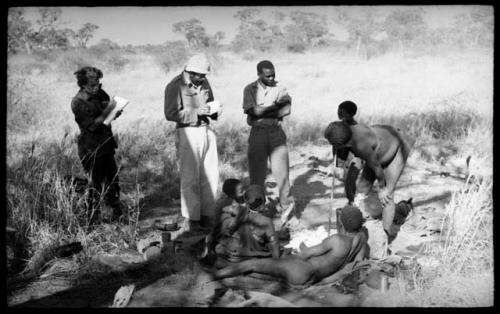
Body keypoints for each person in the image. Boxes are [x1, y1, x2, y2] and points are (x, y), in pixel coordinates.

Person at [324, 102, 415, 248]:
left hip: (397, 148)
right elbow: (358, 166)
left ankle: (385, 237)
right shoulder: (346, 130)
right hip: (379, 150)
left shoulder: (361, 145)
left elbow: (377, 167)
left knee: (387, 196)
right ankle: (357, 227)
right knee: (362, 188)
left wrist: (382, 188)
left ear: (344, 144)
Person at [210, 205, 369, 287]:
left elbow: (305, 255)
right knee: (268, 272)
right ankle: (227, 267)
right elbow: (357, 263)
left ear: (341, 222)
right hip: (311, 278)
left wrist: (288, 257)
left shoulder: (337, 240)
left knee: (252, 264)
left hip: (302, 269)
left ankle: (211, 277)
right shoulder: (362, 238)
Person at [164, 54, 223, 233]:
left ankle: (208, 215)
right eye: (200, 75)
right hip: (188, 132)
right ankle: (192, 219)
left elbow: (210, 104)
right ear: (191, 72)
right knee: (190, 178)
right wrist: (196, 112)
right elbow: (170, 113)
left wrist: (214, 111)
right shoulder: (175, 86)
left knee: (210, 176)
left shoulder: (204, 83)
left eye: (205, 76)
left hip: (207, 130)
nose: (203, 79)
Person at [242, 60, 295, 225]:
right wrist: (273, 108)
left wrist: (261, 112)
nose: (272, 78)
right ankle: (258, 212)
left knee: (283, 175)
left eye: (273, 74)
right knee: (257, 176)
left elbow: (286, 109)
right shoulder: (249, 89)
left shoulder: (280, 88)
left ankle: (287, 210)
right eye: (268, 76)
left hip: (276, 134)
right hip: (257, 134)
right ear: (259, 74)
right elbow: (252, 111)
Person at [71, 66, 122, 222]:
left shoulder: (101, 93)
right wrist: (108, 113)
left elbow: (109, 110)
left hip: (106, 144)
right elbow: (92, 125)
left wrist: (116, 112)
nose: (96, 88)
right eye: (91, 86)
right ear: (82, 85)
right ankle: (93, 219)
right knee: (95, 186)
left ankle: (117, 215)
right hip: (90, 148)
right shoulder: (78, 102)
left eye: (98, 84)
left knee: (113, 182)